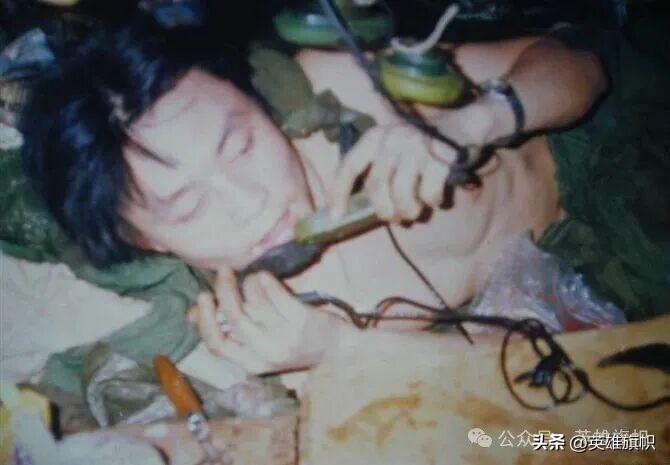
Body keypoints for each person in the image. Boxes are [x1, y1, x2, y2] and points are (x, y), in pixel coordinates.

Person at [20, 14, 608, 374]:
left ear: (251, 97)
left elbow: (581, 65)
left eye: (240, 144)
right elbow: (534, 381)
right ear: (147, 242)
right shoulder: (262, 330)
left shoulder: (340, 84)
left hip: (618, 151)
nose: (250, 201)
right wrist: (342, 349)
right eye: (191, 207)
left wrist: (473, 122)